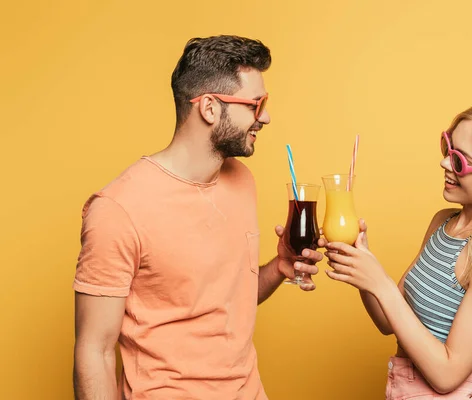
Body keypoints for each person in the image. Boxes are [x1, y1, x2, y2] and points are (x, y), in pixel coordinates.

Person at [72, 35, 322, 400]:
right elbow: (94, 352)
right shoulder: (118, 210)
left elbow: (217, 304)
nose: (265, 116)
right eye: (256, 104)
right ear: (208, 107)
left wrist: (279, 267)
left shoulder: (241, 181)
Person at [323, 101, 472, 399]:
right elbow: (389, 322)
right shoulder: (443, 223)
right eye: (447, 148)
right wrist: (361, 267)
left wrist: (380, 284)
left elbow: (447, 375)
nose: (445, 164)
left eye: (460, 160)